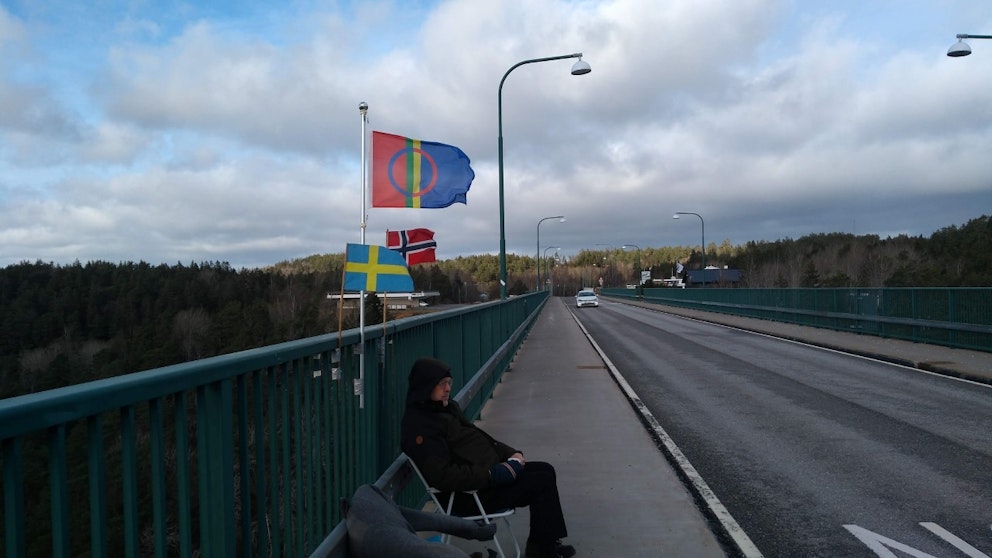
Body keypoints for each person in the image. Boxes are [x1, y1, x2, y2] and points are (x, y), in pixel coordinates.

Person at [400, 357, 576, 558]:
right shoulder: (420, 427)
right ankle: (541, 551)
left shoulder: (444, 409)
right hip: (468, 496)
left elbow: (480, 438)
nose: (447, 388)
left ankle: (543, 544)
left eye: (449, 383)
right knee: (541, 481)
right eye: (441, 384)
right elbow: (443, 476)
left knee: (545, 469)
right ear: (425, 386)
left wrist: (510, 453)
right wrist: (493, 474)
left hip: (485, 481)